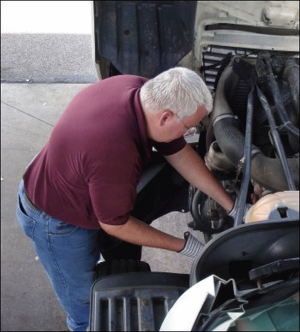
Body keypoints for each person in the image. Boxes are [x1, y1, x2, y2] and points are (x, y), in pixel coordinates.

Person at [16, 67, 235, 331]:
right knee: (89, 310)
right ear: (166, 117)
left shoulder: (138, 90)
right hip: (56, 223)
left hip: (64, 182)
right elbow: (115, 224)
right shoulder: (114, 150)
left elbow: (178, 152)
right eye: (188, 127)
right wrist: (184, 246)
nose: (188, 133)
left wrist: (231, 204)